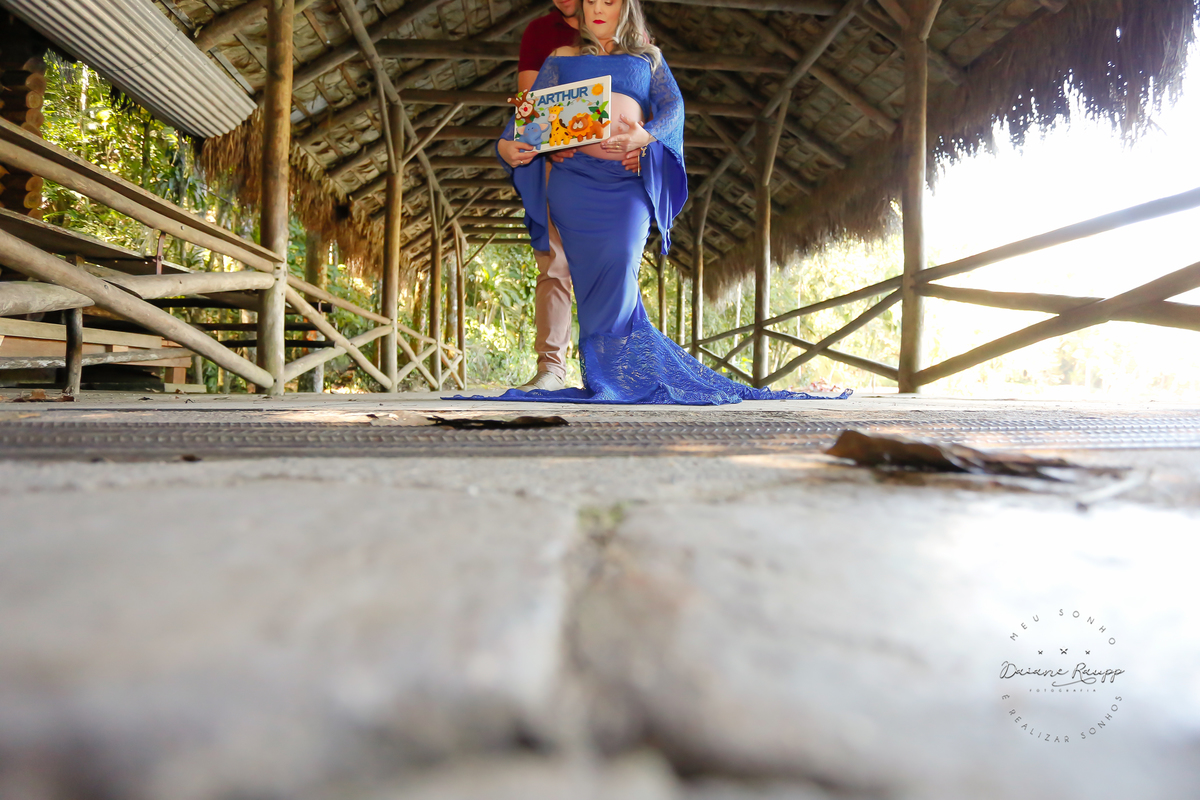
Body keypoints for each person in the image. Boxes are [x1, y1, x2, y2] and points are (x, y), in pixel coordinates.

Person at [485, 0, 850, 404]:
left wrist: (646, 137)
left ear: (626, 7)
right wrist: (505, 145)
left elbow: (673, 109)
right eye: (591, 1)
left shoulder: (648, 59)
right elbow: (527, 118)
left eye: (609, 1)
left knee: (621, 263)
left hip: (626, 185)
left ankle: (616, 373)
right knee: (585, 280)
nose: (598, 9)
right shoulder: (560, 58)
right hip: (573, 184)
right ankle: (597, 374)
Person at [512, 0, 581, 392]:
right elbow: (529, 101)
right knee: (554, 263)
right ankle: (551, 368)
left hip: (615, 168)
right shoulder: (539, 32)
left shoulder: (623, 29)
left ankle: (616, 370)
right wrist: (553, 143)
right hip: (557, 157)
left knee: (612, 267)